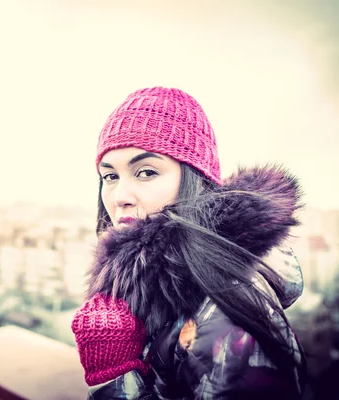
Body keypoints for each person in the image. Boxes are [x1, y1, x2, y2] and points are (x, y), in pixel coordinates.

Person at [71, 87, 307, 399]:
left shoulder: (223, 311)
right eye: (110, 176)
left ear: (194, 180)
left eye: (146, 172)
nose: (120, 197)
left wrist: (117, 376)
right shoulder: (159, 284)